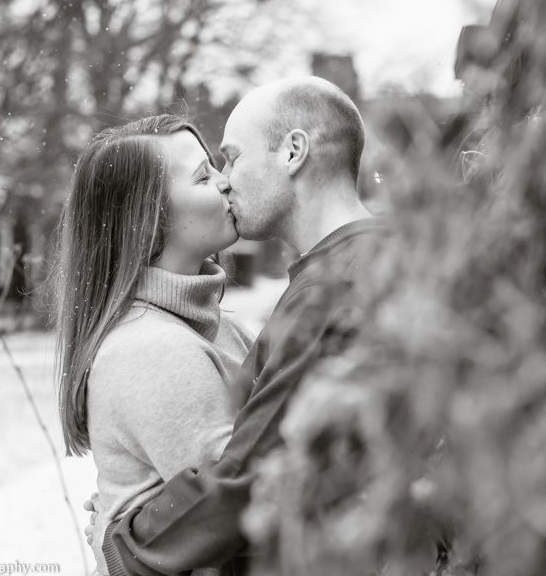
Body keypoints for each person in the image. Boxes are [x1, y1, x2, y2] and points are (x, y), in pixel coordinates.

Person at [88, 76, 392, 576]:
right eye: (210, 172)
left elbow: (248, 480)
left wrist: (120, 544)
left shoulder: (333, 288)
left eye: (230, 158)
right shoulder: (364, 262)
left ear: (294, 152)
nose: (226, 179)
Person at [51, 115, 256, 575]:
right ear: (149, 217)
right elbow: (250, 507)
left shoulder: (212, 326)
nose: (227, 183)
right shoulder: (150, 349)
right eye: (204, 176)